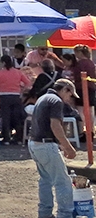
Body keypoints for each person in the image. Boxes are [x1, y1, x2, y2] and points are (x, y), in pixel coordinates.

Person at [28, 78, 78, 218]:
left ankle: (44, 213)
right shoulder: (56, 101)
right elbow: (55, 126)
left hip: (34, 143)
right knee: (63, 181)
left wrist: (61, 144)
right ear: (65, 90)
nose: (69, 99)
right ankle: (65, 214)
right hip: (45, 144)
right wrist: (68, 147)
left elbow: (44, 125)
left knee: (45, 180)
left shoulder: (43, 98)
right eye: (70, 95)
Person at [0, 54, 30, 145]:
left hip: (3, 97)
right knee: (17, 117)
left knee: (5, 117)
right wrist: (22, 90)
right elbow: (28, 83)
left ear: (3, 63)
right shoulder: (18, 72)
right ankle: (19, 138)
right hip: (16, 96)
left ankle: (6, 139)